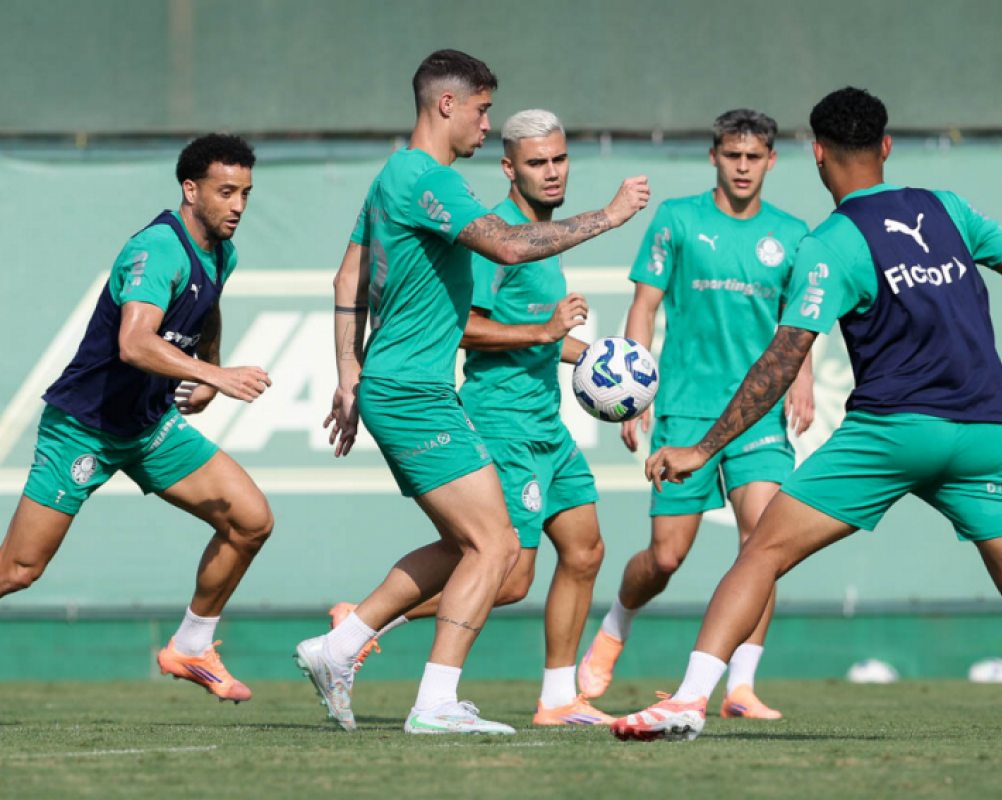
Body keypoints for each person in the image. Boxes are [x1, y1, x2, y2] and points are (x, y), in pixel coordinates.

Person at [611, 87, 1002, 743]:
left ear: (817, 154)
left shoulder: (830, 243)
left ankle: (686, 701)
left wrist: (702, 447)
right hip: (982, 437)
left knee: (760, 553)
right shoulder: (946, 208)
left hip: (894, 432)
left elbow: (781, 361)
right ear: (886, 147)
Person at [295, 50, 650, 735]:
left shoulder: (394, 177)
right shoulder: (428, 181)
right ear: (447, 105)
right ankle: (432, 703)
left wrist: (347, 375)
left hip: (411, 389)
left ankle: (339, 648)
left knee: (481, 547)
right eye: (483, 109)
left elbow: (348, 278)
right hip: (413, 393)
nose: (489, 124)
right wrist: (607, 217)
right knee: (495, 551)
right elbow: (509, 248)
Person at [0, 134, 274, 704]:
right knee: (19, 571)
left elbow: (208, 304)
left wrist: (208, 369)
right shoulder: (157, 249)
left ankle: (192, 646)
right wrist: (221, 379)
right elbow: (134, 343)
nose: (238, 205)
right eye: (226, 192)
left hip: (149, 428)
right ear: (190, 190)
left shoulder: (222, 251)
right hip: (84, 428)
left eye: (246, 193)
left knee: (251, 521)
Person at [580, 109, 813, 718]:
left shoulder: (791, 234)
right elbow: (645, 305)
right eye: (732, 155)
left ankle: (740, 686)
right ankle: (615, 625)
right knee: (665, 557)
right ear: (714, 156)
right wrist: (637, 390)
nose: (742, 166)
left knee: (764, 541)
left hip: (758, 415)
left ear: (771, 161)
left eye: (754, 156)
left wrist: (803, 378)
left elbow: (801, 319)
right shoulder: (678, 220)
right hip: (684, 411)